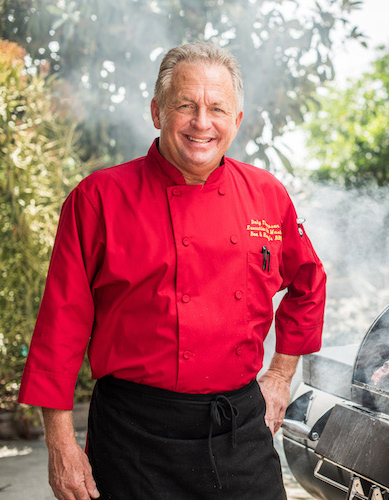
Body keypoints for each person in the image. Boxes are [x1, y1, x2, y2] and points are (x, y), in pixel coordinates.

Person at [18, 41, 326, 499]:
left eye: (218, 109)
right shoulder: (98, 199)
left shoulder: (267, 195)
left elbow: (308, 283)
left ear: (236, 121)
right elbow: (60, 327)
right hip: (133, 438)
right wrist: (60, 441)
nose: (203, 123)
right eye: (186, 105)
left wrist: (280, 376)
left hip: (239, 430)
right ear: (157, 112)